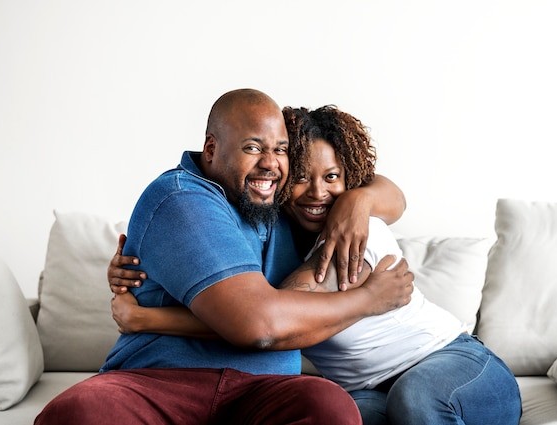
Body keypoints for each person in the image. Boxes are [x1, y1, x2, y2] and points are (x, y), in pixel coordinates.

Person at [108, 105, 523, 425]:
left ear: (351, 178)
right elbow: (257, 311)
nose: (317, 193)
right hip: (368, 389)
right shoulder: (273, 235)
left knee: (415, 398)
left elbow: (271, 319)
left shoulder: (355, 233)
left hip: (453, 361)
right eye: (303, 176)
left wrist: (147, 319)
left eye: (334, 178)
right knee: (345, 413)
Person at [35, 89, 414, 425]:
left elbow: (392, 196)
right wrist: (367, 300)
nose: (269, 162)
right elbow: (258, 325)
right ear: (212, 148)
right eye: (252, 147)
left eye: (279, 150)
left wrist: (357, 200)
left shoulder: (279, 202)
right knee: (82, 411)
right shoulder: (181, 198)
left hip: (266, 391)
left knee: (329, 407)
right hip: (159, 383)